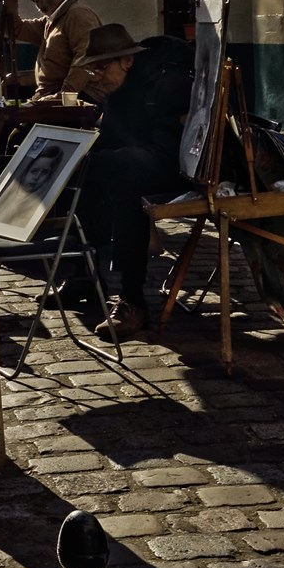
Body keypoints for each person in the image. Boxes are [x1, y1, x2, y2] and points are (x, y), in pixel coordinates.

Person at [72, 22, 194, 339]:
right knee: (81, 170)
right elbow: (111, 137)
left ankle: (132, 301)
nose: (96, 75)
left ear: (127, 60)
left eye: (101, 67)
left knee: (123, 182)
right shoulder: (118, 90)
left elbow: (170, 149)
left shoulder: (167, 83)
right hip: (143, 159)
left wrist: (105, 160)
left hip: (177, 165)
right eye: (92, 69)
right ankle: (82, 272)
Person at [3, 0, 102, 98]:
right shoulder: (49, 22)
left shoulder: (77, 14)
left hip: (77, 101)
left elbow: (86, 58)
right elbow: (14, 29)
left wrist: (63, 97)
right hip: (48, 97)